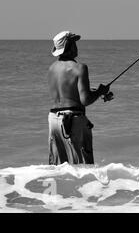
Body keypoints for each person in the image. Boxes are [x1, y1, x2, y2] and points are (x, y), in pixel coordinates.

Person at [47, 31, 113, 165]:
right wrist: (100, 91)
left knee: (58, 168)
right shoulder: (80, 68)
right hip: (74, 121)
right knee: (83, 169)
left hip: (53, 120)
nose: (76, 47)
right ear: (68, 46)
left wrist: (97, 92)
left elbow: (67, 93)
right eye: (74, 43)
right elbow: (85, 100)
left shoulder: (52, 68)